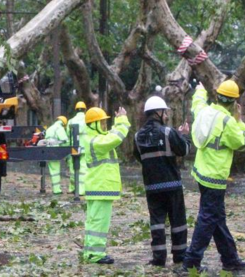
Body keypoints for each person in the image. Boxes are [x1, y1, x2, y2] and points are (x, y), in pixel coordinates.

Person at [182, 81, 245, 274]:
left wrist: (201, 89)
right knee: (208, 218)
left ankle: (230, 259)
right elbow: (243, 142)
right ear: (234, 102)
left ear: (217, 96)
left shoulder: (204, 111)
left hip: (201, 173)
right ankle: (191, 262)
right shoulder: (227, 121)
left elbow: (197, 102)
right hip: (215, 177)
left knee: (216, 217)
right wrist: (239, 119)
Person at [133, 96, 191, 267]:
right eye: (165, 112)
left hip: (152, 186)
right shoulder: (168, 132)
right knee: (178, 221)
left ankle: (158, 258)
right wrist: (184, 136)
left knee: (157, 223)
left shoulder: (137, 136)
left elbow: (139, 157)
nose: (166, 115)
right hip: (172, 185)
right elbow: (184, 150)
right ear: (158, 112)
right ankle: (180, 255)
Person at [82, 106, 130, 264]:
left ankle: (90, 252)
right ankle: (96, 254)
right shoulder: (95, 141)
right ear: (93, 124)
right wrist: (122, 121)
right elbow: (115, 138)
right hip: (100, 188)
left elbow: (110, 135)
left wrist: (116, 123)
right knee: (99, 223)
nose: (104, 125)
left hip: (97, 187)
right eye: (101, 122)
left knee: (93, 221)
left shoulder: (94, 138)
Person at [43, 115, 69, 195]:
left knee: (53, 170)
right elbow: (65, 141)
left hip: (48, 150)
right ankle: (57, 190)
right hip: (55, 151)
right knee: (56, 171)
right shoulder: (59, 128)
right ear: (64, 124)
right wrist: (67, 153)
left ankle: (55, 189)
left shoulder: (50, 128)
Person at [67, 101, 88, 195]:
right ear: (85, 109)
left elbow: (68, 134)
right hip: (85, 147)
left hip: (74, 147)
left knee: (73, 168)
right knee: (83, 169)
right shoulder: (87, 120)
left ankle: (72, 188)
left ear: (75, 110)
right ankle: (82, 190)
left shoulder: (71, 121)